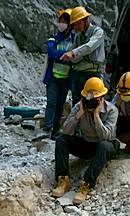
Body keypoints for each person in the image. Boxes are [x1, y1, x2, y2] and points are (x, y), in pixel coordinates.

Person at [51, 77, 118, 206]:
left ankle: (87, 183)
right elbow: (65, 130)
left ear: (101, 98)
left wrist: (97, 116)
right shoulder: (80, 107)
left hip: (103, 146)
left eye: (94, 100)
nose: (90, 103)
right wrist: (79, 114)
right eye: (88, 100)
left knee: (104, 145)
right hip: (86, 144)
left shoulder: (111, 110)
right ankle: (63, 179)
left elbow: (107, 136)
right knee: (61, 139)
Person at [59, 6, 105, 106]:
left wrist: (73, 53)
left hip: (93, 74)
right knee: (77, 102)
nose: (75, 27)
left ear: (84, 20)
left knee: (91, 102)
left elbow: (89, 47)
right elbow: (73, 53)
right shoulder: (78, 36)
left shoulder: (98, 32)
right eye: (74, 24)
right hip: (78, 74)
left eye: (77, 23)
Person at [43, 8, 75, 140]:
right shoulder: (53, 38)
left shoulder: (74, 39)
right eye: (60, 21)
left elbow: (76, 56)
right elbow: (51, 52)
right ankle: (47, 128)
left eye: (64, 22)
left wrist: (64, 57)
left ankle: (55, 130)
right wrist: (66, 56)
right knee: (51, 102)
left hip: (66, 79)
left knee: (60, 104)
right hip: (53, 78)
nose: (61, 24)